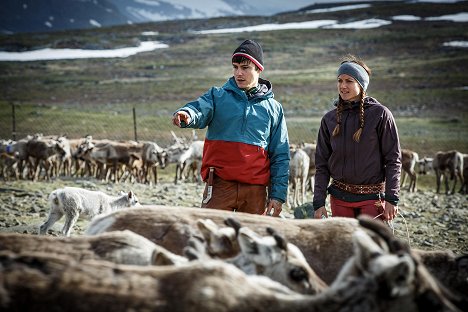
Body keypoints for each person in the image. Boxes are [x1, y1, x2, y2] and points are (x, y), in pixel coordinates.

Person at [172, 39, 290, 217]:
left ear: (258, 69)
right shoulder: (217, 96)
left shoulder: (274, 108)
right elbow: (199, 109)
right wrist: (187, 115)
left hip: (255, 191)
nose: (238, 73)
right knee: (212, 239)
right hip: (220, 186)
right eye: (235, 67)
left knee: (251, 242)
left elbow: (280, 154)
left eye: (245, 68)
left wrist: (277, 196)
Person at [313, 54, 401, 221]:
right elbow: (322, 164)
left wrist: (391, 198)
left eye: (349, 81)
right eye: (340, 81)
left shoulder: (380, 115)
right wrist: (318, 202)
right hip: (339, 199)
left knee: (372, 246)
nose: (343, 86)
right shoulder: (329, 119)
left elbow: (393, 159)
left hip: (372, 199)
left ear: (362, 84)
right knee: (344, 247)